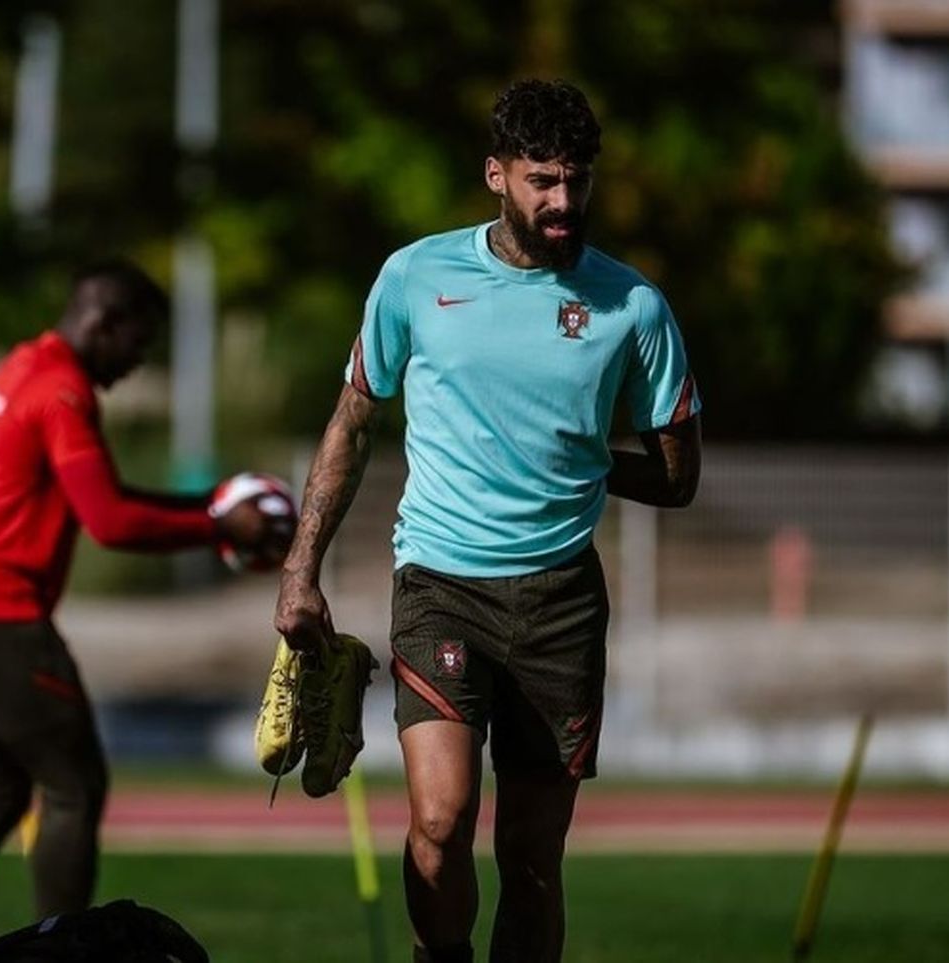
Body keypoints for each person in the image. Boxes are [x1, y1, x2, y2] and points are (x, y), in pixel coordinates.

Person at [273, 79, 702, 963]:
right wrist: (298, 569)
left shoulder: (633, 307)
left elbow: (677, 476)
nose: (562, 201)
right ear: (495, 175)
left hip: (560, 602)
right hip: (440, 583)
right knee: (439, 819)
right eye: (542, 180)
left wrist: (575, 456)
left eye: (577, 182)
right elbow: (353, 420)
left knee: (533, 860)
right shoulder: (414, 277)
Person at [0, 261, 282, 963]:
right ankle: (69, 955)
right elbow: (111, 521)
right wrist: (218, 525)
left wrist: (209, 505)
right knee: (74, 786)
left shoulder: (24, 364)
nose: (140, 359)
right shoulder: (62, 391)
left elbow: (100, 496)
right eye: (138, 341)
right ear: (105, 323)